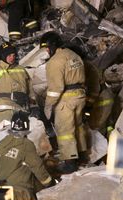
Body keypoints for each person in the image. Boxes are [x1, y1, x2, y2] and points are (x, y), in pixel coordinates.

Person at [40, 31, 86, 174]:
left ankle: (70, 162)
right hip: (80, 96)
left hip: (66, 99)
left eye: (47, 48)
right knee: (78, 126)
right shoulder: (74, 55)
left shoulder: (55, 61)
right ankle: (82, 155)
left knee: (65, 131)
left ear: (52, 46)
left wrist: (48, 105)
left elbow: (55, 89)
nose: (46, 51)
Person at [0, 111, 54, 200]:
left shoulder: (3, 142)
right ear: (26, 127)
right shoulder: (26, 145)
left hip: (0, 189)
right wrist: (50, 183)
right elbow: (37, 167)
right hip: (20, 189)